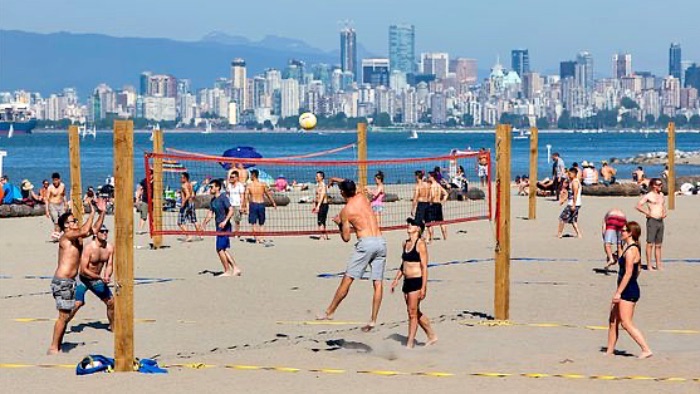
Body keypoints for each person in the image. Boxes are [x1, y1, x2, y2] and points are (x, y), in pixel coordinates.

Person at [317, 178, 387, 332]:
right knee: (378, 283)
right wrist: (336, 180)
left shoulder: (346, 211)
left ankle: (330, 311)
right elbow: (352, 184)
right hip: (380, 242)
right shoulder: (362, 197)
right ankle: (373, 320)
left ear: (342, 193)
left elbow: (346, 238)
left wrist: (339, 224)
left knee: (348, 279)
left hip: (366, 243)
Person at [48, 197, 107, 354]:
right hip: (62, 281)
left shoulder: (77, 237)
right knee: (63, 316)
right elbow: (83, 230)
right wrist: (92, 212)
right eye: (73, 221)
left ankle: (57, 345)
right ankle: (54, 347)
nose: (76, 222)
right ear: (66, 225)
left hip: (69, 281)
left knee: (66, 315)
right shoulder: (66, 236)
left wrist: (102, 213)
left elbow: (93, 230)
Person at [606, 221, 653, 359]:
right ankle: (610, 350)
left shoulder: (632, 250)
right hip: (625, 287)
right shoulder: (628, 247)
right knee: (613, 319)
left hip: (628, 291)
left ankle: (646, 349)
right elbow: (637, 270)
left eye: (624, 230)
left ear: (631, 233)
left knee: (626, 323)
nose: (622, 232)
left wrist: (619, 292)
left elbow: (629, 272)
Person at [390, 218, 438, 349]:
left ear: (418, 228)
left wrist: (424, 287)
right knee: (414, 312)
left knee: (412, 313)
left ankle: (410, 343)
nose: (409, 226)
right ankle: (432, 335)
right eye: (409, 224)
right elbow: (404, 264)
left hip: (416, 281)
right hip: (406, 281)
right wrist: (396, 279)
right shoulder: (405, 243)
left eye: (412, 224)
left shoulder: (420, 244)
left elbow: (424, 266)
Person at [73, 224, 115, 330]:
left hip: (96, 280)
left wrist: (107, 276)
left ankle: (113, 326)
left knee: (111, 302)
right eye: (102, 231)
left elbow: (109, 265)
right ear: (96, 234)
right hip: (83, 279)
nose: (105, 233)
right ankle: (64, 322)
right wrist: (100, 277)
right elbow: (83, 269)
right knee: (78, 304)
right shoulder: (89, 248)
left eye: (106, 231)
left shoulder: (109, 248)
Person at [202, 179, 241, 277]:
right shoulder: (213, 200)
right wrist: (204, 223)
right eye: (210, 187)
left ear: (218, 188)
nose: (210, 188)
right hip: (218, 226)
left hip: (224, 226)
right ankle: (235, 268)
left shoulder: (223, 198)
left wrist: (225, 221)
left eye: (212, 187)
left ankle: (227, 270)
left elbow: (231, 210)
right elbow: (210, 213)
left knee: (219, 249)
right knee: (223, 249)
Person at [636, 178, 667, 270]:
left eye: (661, 184)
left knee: (659, 244)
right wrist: (647, 213)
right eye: (659, 184)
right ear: (653, 185)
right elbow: (638, 205)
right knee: (650, 243)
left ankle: (658, 264)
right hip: (652, 220)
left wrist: (664, 212)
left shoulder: (661, 195)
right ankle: (649, 265)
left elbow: (662, 205)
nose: (661, 186)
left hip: (660, 221)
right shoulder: (649, 195)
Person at [243, 169, 277, 244]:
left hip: (253, 204)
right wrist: (273, 203)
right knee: (261, 223)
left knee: (253, 223)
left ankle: (257, 238)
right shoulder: (263, 184)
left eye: (251, 175)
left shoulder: (249, 185)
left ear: (253, 176)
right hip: (261, 204)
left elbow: (245, 197)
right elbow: (268, 194)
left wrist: (244, 206)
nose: (250, 177)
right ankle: (261, 238)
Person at [557, 167, 582, 238]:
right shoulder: (572, 181)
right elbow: (569, 193)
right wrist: (564, 200)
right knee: (573, 220)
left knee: (562, 218)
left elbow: (575, 194)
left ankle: (559, 233)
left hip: (573, 204)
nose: (568, 175)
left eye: (570, 173)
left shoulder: (575, 182)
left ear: (574, 174)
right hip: (576, 204)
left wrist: (573, 205)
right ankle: (579, 234)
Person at [178, 172, 204, 241]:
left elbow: (188, 195)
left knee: (180, 222)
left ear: (185, 178)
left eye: (182, 177)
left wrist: (183, 203)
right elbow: (192, 195)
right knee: (194, 220)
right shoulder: (190, 184)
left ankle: (188, 236)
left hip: (186, 204)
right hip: (191, 203)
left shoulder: (183, 186)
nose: (180, 179)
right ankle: (200, 235)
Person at [426, 171, 448, 243]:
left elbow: (432, 195)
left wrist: (429, 202)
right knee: (441, 222)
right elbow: (446, 194)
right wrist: (443, 202)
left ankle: (431, 239)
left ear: (432, 177)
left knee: (429, 223)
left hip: (433, 204)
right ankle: (445, 237)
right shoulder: (438, 185)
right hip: (438, 204)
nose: (428, 177)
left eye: (429, 176)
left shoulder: (432, 186)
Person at [46, 173, 68, 240]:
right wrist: (47, 210)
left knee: (63, 220)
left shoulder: (62, 185)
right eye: (53, 180)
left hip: (61, 204)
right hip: (52, 205)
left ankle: (64, 234)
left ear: (59, 179)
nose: (55, 182)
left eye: (56, 180)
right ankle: (56, 236)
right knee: (56, 221)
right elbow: (47, 199)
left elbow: (63, 195)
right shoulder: (50, 187)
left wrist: (66, 203)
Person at [225, 170, 246, 237]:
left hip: (237, 205)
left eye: (232, 177)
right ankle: (229, 232)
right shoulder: (229, 185)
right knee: (227, 219)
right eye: (230, 177)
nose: (231, 178)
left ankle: (237, 233)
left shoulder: (240, 185)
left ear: (237, 178)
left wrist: (242, 206)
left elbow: (242, 196)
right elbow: (227, 194)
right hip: (230, 205)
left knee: (237, 220)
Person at [312, 171, 330, 240]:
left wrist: (318, 206)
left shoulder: (323, 185)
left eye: (317, 176)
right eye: (316, 176)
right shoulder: (317, 185)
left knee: (321, 221)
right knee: (321, 221)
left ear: (321, 177)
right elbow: (317, 196)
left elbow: (322, 196)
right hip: (319, 204)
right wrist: (314, 204)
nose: (316, 177)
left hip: (323, 204)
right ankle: (324, 235)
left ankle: (323, 235)